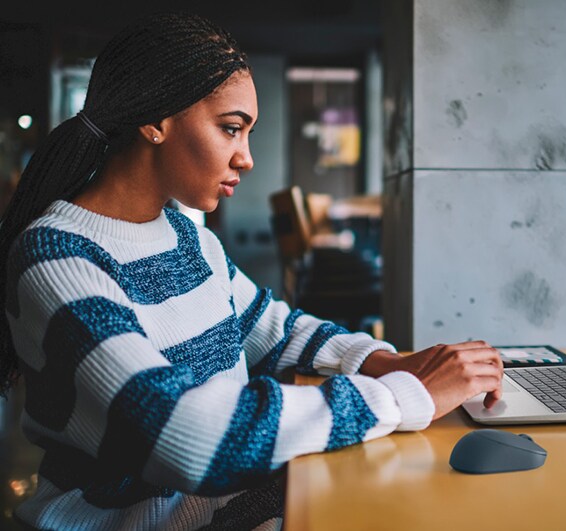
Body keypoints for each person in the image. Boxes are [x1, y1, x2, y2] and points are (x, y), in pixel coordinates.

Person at [0, 11, 503, 530]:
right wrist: (406, 397)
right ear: (155, 121)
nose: (246, 158)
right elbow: (184, 437)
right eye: (231, 129)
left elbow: (274, 329)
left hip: (220, 509)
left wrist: (388, 361)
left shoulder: (186, 235)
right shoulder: (56, 258)